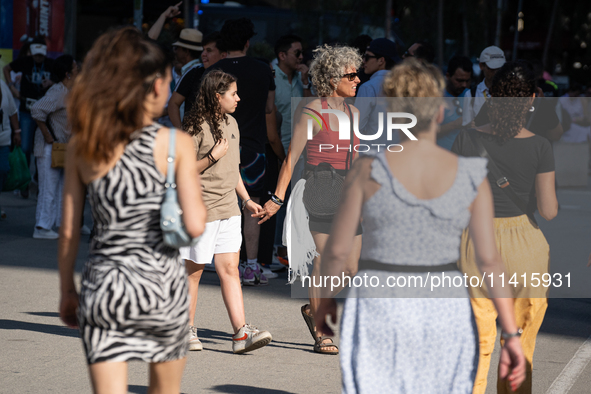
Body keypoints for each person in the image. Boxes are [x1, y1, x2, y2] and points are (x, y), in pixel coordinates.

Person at [315, 58, 526, 393]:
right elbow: (490, 262)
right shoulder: (471, 176)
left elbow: (338, 250)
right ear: (440, 112)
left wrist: (325, 301)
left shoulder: (366, 170)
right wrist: (511, 335)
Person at [58, 27, 206, 394]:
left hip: (104, 286)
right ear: (155, 86)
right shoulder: (177, 143)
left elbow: (68, 230)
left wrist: (67, 292)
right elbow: (194, 224)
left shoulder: (84, 143)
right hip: (162, 288)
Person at [452, 61, 558, 394]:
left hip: (476, 242)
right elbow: (549, 211)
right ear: (531, 98)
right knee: (520, 346)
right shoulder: (540, 146)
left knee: (475, 344)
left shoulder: (467, 139)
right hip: (526, 244)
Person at [258, 44, 363, 354]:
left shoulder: (354, 112)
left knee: (352, 268)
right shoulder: (312, 110)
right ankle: (322, 330)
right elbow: (291, 159)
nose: (358, 80)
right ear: (332, 79)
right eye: (352, 75)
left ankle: (312, 309)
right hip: (318, 188)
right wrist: (276, 200)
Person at [180, 70, 273, 352]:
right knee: (192, 272)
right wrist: (211, 157)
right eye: (233, 93)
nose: (238, 98)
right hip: (201, 210)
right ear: (217, 96)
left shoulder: (231, 122)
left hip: (230, 210)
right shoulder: (194, 126)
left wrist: (245, 200)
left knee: (230, 269)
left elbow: (233, 169)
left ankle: (240, 334)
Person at [205, 18, 276, 284]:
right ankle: (251, 265)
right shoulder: (262, 69)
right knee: (252, 206)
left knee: (218, 202)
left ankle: (215, 258)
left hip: (219, 144)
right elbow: (269, 108)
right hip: (254, 148)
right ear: (248, 41)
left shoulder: (215, 70)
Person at [30, 55, 78, 239]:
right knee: (49, 188)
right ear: (68, 73)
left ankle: (55, 224)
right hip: (50, 147)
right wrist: (47, 135)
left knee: (59, 189)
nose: (77, 69)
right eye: (75, 67)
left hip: (61, 147)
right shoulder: (58, 91)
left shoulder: (67, 91)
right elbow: (36, 109)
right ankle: (42, 227)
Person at [3, 36, 55, 198]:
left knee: (42, 149)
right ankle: (25, 183)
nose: (39, 58)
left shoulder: (51, 64)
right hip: (27, 110)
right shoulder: (25, 62)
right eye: (36, 55)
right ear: (32, 53)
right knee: (25, 147)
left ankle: (38, 181)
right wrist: (12, 88)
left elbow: (64, 76)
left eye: (41, 55)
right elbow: (6, 68)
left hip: (44, 112)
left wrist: (51, 83)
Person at [169, 32, 227, 129]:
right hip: (194, 139)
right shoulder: (194, 72)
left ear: (223, 55)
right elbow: (173, 103)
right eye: (203, 50)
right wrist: (182, 131)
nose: (203, 54)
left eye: (209, 50)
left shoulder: (230, 76)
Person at [355, 38, 399, 149]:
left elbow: (357, 126)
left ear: (381, 60)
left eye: (367, 57)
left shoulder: (368, 87)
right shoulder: (405, 86)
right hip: (398, 155)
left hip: (371, 153)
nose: (363, 61)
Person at [462, 46, 506, 126]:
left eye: (499, 68)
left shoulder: (510, 91)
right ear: (481, 66)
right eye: (492, 68)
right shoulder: (471, 95)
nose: (496, 72)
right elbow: (466, 127)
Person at [437, 55, 472, 150]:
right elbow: (425, 132)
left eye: (467, 81)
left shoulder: (471, 96)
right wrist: (455, 124)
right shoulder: (436, 97)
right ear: (448, 76)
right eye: (459, 81)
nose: (464, 85)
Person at [0, 76, 22, 219]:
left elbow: (13, 111)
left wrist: (17, 132)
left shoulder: (2, 85)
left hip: (3, 139)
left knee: (3, 170)